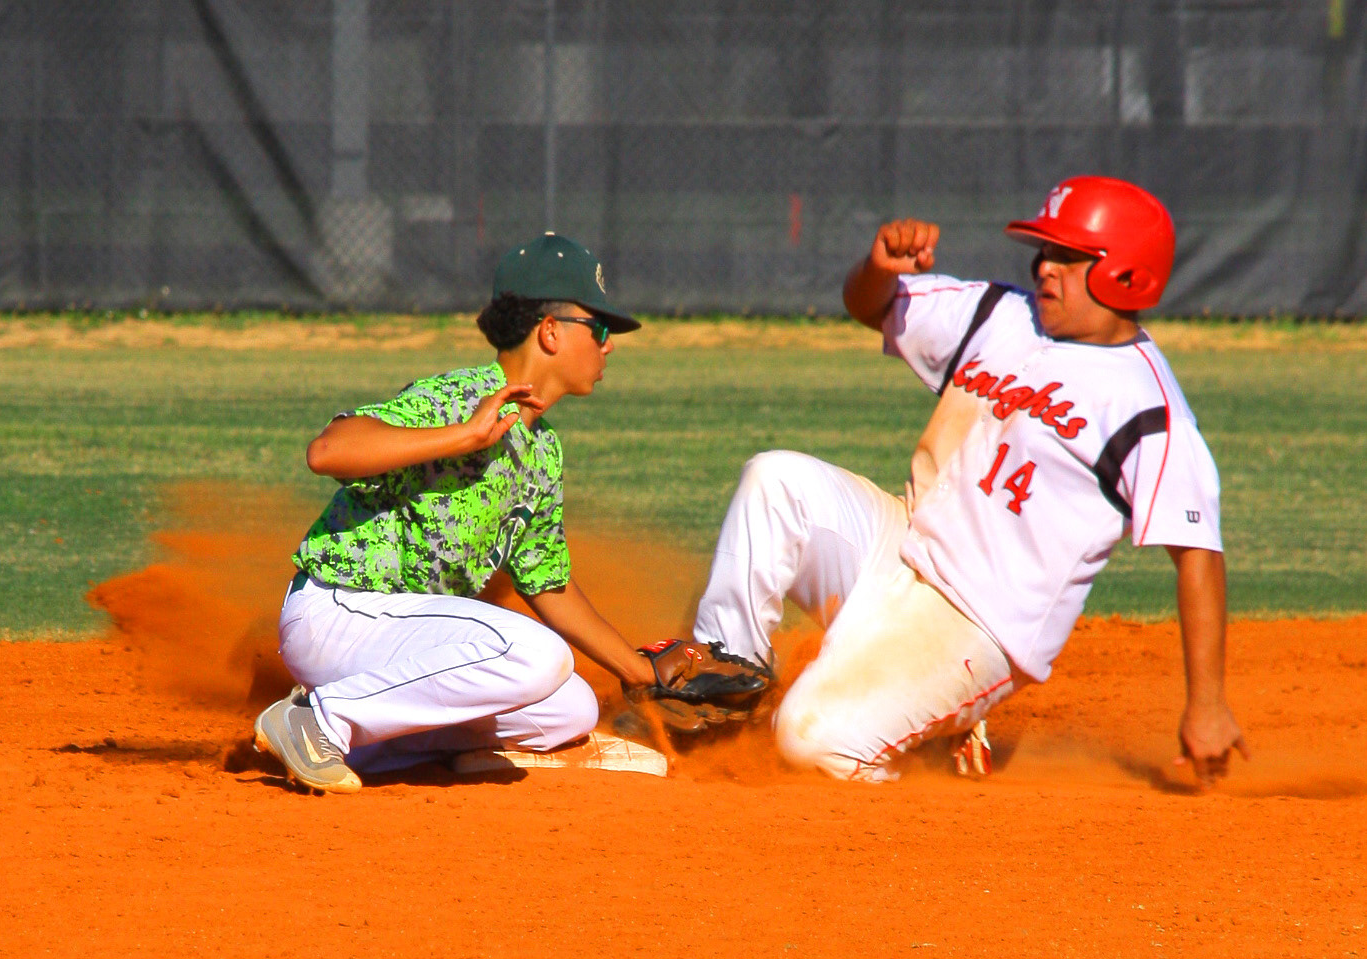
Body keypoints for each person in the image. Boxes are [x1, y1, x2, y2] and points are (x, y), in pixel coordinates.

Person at [678, 176, 1249, 785]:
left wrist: (1208, 704)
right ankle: (725, 694)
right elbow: (870, 306)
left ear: (1127, 276)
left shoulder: (1146, 408)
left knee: (808, 740)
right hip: (896, 545)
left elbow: (1197, 554)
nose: (1044, 269)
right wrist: (879, 270)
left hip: (975, 623)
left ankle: (925, 745)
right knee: (776, 480)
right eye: (1042, 252)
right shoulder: (1002, 316)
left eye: (1066, 256)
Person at [252, 233, 672, 792]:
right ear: (550, 331)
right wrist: (464, 436)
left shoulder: (543, 450)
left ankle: (370, 743)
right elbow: (327, 450)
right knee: (536, 654)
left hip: (401, 642)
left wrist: (640, 673)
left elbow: (548, 585)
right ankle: (316, 720)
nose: (609, 346)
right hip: (339, 614)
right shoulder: (458, 397)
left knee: (569, 707)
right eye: (598, 330)